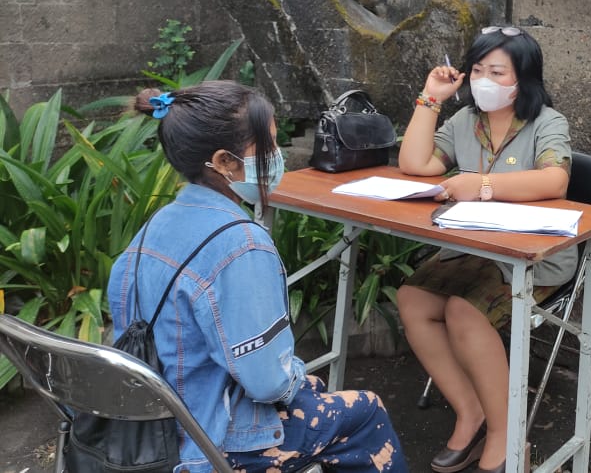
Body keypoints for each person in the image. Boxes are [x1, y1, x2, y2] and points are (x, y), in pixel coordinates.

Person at [108, 80, 407, 473]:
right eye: (268, 147)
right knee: (366, 412)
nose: (278, 156)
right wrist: (297, 375)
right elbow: (267, 383)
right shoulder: (240, 244)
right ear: (225, 162)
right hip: (212, 443)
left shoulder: (155, 227)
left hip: (150, 428)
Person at [396, 26, 574, 473]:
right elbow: (416, 165)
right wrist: (431, 97)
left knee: (462, 310)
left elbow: (556, 180)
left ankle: (507, 432)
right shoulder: (463, 122)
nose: (483, 80)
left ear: (523, 80)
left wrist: (485, 186)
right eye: (477, 69)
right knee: (412, 298)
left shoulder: (547, 122)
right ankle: (470, 410)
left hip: (536, 258)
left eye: (497, 71)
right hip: (472, 249)